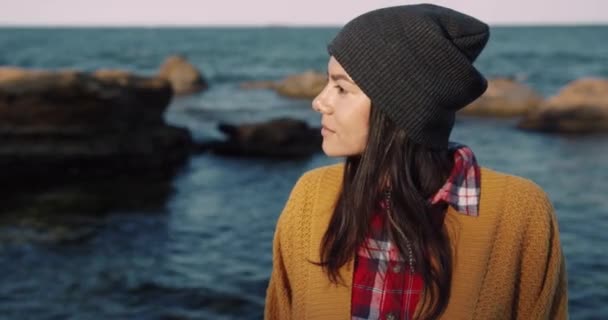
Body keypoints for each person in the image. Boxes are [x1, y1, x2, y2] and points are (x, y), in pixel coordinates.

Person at [264, 4, 568, 320]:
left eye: (341, 88)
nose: (318, 102)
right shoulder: (309, 199)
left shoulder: (520, 213)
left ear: (400, 109)